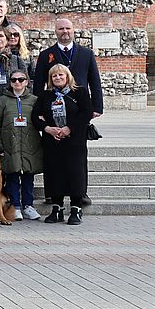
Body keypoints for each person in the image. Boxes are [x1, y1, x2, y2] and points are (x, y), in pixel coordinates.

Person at [32, 64, 93, 225]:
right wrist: (47, 128)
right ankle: (57, 208)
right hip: (53, 141)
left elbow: (86, 113)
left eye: (61, 75)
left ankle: (76, 208)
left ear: (67, 76)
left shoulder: (79, 92)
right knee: (54, 174)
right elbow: (35, 116)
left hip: (74, 140)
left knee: (75, 173)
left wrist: (69, 128)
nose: (58, 78)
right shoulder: (46, 95)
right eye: (54, 76)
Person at [0, 69, 43, 221]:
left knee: (28, 176)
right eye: (14, 80)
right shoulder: (2, 101)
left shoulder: (34, 100)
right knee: (12, 176)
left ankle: (28, 205)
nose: (17, 82)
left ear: (27, 82)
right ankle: (15, 206)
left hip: (29, 144)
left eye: (21, 79)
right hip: (10, 144)